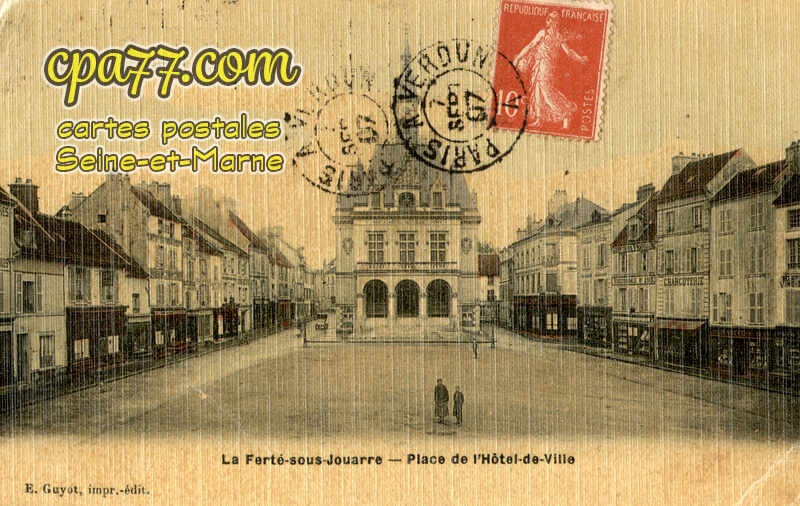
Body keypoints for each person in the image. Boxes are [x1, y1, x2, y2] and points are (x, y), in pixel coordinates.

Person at [513, 11, 589, 130]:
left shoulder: (558, 36)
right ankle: (539, 119)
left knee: (547, 92)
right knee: (537, 91)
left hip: (548, 67)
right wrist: (518, 57)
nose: (551, 22)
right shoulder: (543, 33)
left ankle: (566, 113)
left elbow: (568, 52)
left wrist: (580, 59)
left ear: (557, 23)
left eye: (554, 20)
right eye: (550, 19)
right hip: (538, 65)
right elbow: (530, 45)